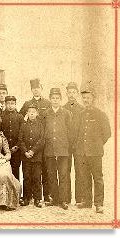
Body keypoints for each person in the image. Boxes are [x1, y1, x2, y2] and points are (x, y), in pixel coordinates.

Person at [73, 86, 111, 214]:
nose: (86, 100)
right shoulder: (81, 114)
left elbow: (107, 133)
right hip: (82, 153)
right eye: (84, 98)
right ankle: (87, 201)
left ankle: (99, 204)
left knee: (98, 178)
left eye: (88, 98)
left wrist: (97, 144)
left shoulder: (100, 114)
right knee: (85, 177)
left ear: (93, 99)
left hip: (95, 152)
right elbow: (77, 132)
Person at [19, 78, 51, 202]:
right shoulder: (27, 103)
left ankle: (45, 196)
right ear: (32, 90)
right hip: (28, 141)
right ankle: (28, 196)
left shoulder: (47, 103)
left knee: (42, 172)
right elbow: (21, 117)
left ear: (41, 89)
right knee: (27, 174)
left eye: (38, 88)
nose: (36, 90)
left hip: (42, 142)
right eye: (33, 88)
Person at [43, 88, 72, 210]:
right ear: (50, 99)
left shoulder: (66, 113)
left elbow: (70, 132)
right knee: (51, 175)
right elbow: (43, 131)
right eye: (53, 98)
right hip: (49, 149)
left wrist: (67, 147)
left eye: (57, 98)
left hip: (63, 150)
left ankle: (63, 200)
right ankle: (54, 199)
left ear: (60, 100)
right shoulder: (45, 113)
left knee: (63, 174)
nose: (55, 100)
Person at [18, 104, 44, 208]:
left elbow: (42, 140)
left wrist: (33, 151)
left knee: (37, 177)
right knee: (27, 177)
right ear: (27, 113)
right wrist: (25, 152)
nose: (31, 113)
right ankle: (26, 198)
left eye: (33, 111)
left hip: (37, 156)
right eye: (29, 111)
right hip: (26, 157)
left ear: (37, 113)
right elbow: (20, 140)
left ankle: (37, 199)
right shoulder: (23, 125)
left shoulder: (40, 125)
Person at [63, 82, 85, 204]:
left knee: (80, 171)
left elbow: (83, 128)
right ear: (66, 93)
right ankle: (66, 198)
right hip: (66, 146)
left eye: (73, 92)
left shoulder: (81, 109)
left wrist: (78, 142)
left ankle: (80, 198)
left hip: (78, 145)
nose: (71, 95)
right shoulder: (63, 108)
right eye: (69, 92)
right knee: (65, 171)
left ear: (77, 93)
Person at [1, 96, 23, 180]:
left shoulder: (20, 117)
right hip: (4, 150)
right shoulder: (1, 117)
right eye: (8, 104)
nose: (10, 106)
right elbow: (0, 133)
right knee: (5, 172)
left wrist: (17, 146)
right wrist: (5, 148)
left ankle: (16, 192)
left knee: (15, 171)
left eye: (12, 104)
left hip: (16, 150)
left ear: (15, 105)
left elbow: (22, 134)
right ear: (5, 104)